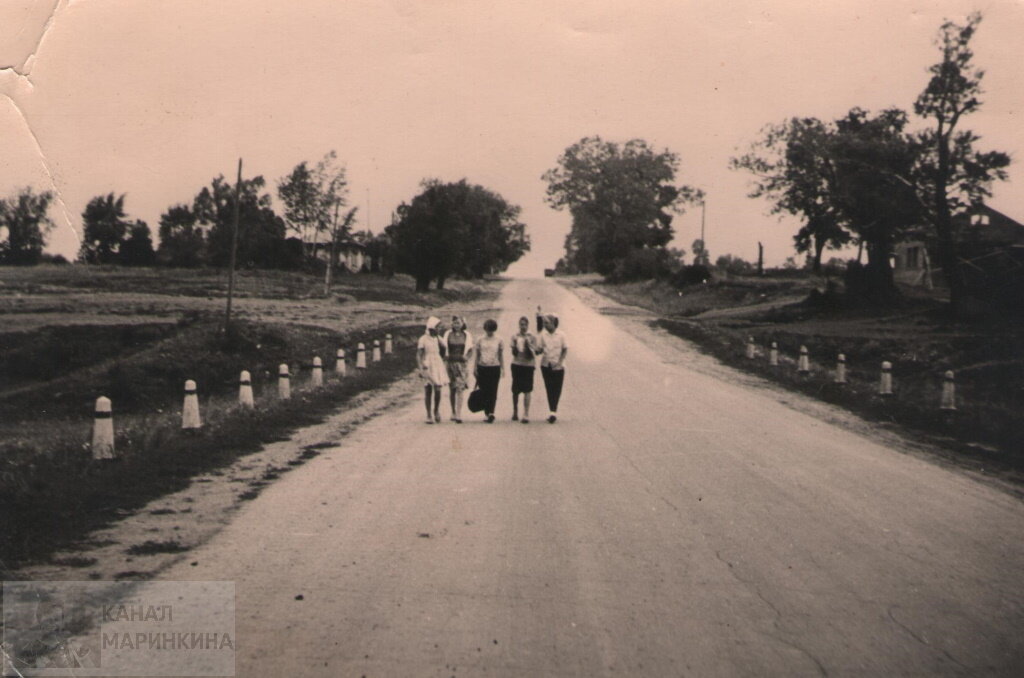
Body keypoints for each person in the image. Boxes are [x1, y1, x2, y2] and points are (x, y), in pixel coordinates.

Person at [536, 309, 568, 423]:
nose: (545, 325)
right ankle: (552, 411)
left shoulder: (561, 335)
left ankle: (553, 411)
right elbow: (539, 349)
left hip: (558, 366)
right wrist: (535, 349)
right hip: (546, 365)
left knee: (557, 388)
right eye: (544, 323)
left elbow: (565, 349)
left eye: (547, 323)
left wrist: (560, 362)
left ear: (553, 323)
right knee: (549, 388)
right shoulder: (542, 335)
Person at [442, 315, 474, 423]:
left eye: (458, 323)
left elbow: (470, 350)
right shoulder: (447, 334)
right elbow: (443, 348)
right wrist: (445, 357)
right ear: (452, 324)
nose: (456, 325)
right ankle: (453, 412)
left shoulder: (467, 335)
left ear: (462, 324)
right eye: (455, 323)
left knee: (460, 388)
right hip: (450, 364)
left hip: (462, 365)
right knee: (452, 388)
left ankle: (459, 413)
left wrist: (467, 357)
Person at [472, 319, 505, 423]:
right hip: (482, 367)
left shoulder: (499, 340)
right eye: (488, 330)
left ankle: (491, 412)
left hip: (494, 367)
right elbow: (477, 355)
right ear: (485, 329)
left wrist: (503, 368)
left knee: (493, 390)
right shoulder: (480, 339)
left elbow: (500, 355)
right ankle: (486, 413)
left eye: (491, 330)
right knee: (484, 391)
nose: (489, 332)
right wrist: (474, 368)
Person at [417, 316, 448, 423]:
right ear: (432, 327)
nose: (439, 328)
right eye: (437, 327)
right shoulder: (423, 339)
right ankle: (428, 414)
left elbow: (445, 348)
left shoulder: (438, 338)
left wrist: (443, 358)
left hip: (437, 363)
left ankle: (436, 411)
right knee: (428, 390)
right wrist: (421, 367)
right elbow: (419, 354)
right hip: (428, 364)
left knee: (438, 388)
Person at [509, 315, 539, 423]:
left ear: (528, 325)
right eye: (521, 325)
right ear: (519, 325)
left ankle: (526, 413)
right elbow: (513, 353)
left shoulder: (532, 337)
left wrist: (528, 345)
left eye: (525, 325)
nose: (523, 327)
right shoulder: (515, 336)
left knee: (527, 389)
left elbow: (535, 352)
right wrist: (516, 346)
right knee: (515, 390)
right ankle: (515, 411)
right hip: (517, 364)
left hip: (528, 365)